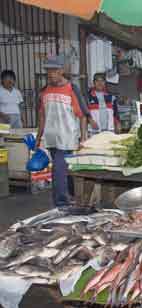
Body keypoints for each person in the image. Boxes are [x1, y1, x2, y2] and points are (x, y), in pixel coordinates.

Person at [35, 55, 86, 207]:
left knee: (58, 171)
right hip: (51, 139)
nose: (51, 74)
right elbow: (42, 116)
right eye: (49, 71)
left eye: (54, 70)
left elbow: (82, 116)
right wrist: (38, 137)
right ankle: (72, 197)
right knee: (64, 171)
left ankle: (61, 205)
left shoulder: (72, 89)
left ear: (62, 70)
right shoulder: (44, 91)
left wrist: (83, 138)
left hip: (67, 138)